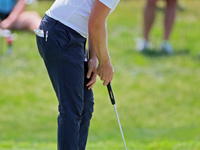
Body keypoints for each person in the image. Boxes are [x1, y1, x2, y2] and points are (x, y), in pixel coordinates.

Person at [35, 0, 119, 149]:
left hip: (70, 35)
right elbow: (95, 25)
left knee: (85, 106)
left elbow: (97, 19)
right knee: (72, 109)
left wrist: (93, 57)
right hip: (60, 33)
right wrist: (105, 63)